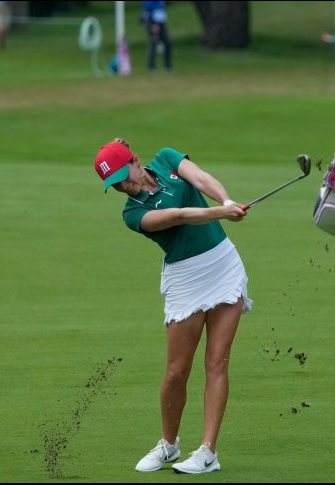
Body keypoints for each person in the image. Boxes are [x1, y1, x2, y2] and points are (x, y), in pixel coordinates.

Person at [93, 139, 252, 473]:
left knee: (216, 362)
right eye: (115, 184)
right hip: (186, 280)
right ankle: (169, 445)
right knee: (176, 372)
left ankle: (208, 452)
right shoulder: (133, 213)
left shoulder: (166, 159)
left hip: (223, 265)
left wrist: (226, 200)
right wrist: (219, 212)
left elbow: (201, 178)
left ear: (136, 161)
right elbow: (178, 216)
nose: (124, 186)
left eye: (124, 175)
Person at [141, 1, 172, 73]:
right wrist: (153, 23)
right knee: (154, 43)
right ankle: (152, 68)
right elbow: (147, 7)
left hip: (161, 22)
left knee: (167, 43)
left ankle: (167, 66)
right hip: (153, 22)